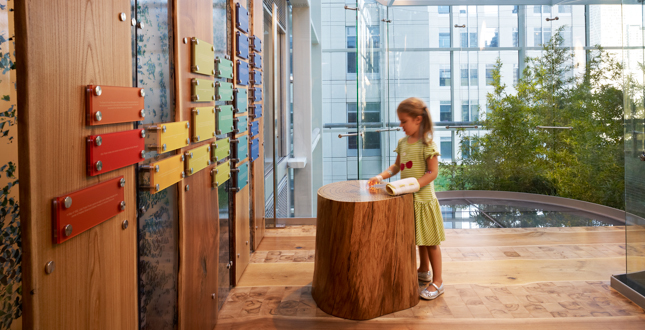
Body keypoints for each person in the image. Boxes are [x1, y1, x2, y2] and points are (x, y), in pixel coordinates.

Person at [368, 97, 446, 300]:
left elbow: (433, 172)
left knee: (431, 242)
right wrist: (380, 177)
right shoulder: (403, 143)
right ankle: (423, 269)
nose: (401, 125)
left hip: (423, 201)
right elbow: (396, 167)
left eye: (404, 121)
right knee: (418, 238)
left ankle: (438, 281)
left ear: (418, 119)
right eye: (400, 121)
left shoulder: (427, 144)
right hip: (407, 200)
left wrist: (415, 185)